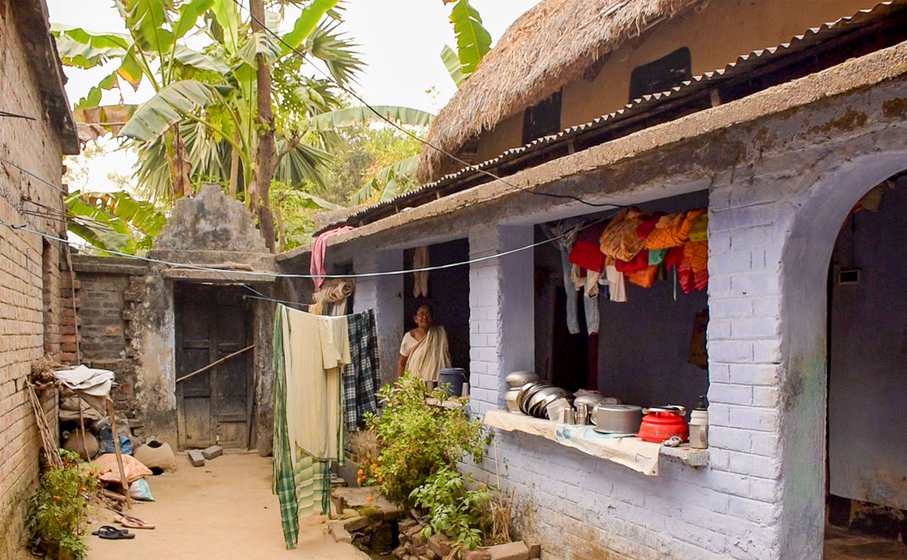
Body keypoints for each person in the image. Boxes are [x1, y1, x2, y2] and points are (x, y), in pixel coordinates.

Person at [396, 304, 450, 381]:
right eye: (421, 314)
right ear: (415, 318)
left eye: (428, 314)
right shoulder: (410, 336)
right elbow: (401, 364)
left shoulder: (440, 333)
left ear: (432, 318)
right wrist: (399, 387)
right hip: (415, 385)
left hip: (437, 384)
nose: (424, 317)